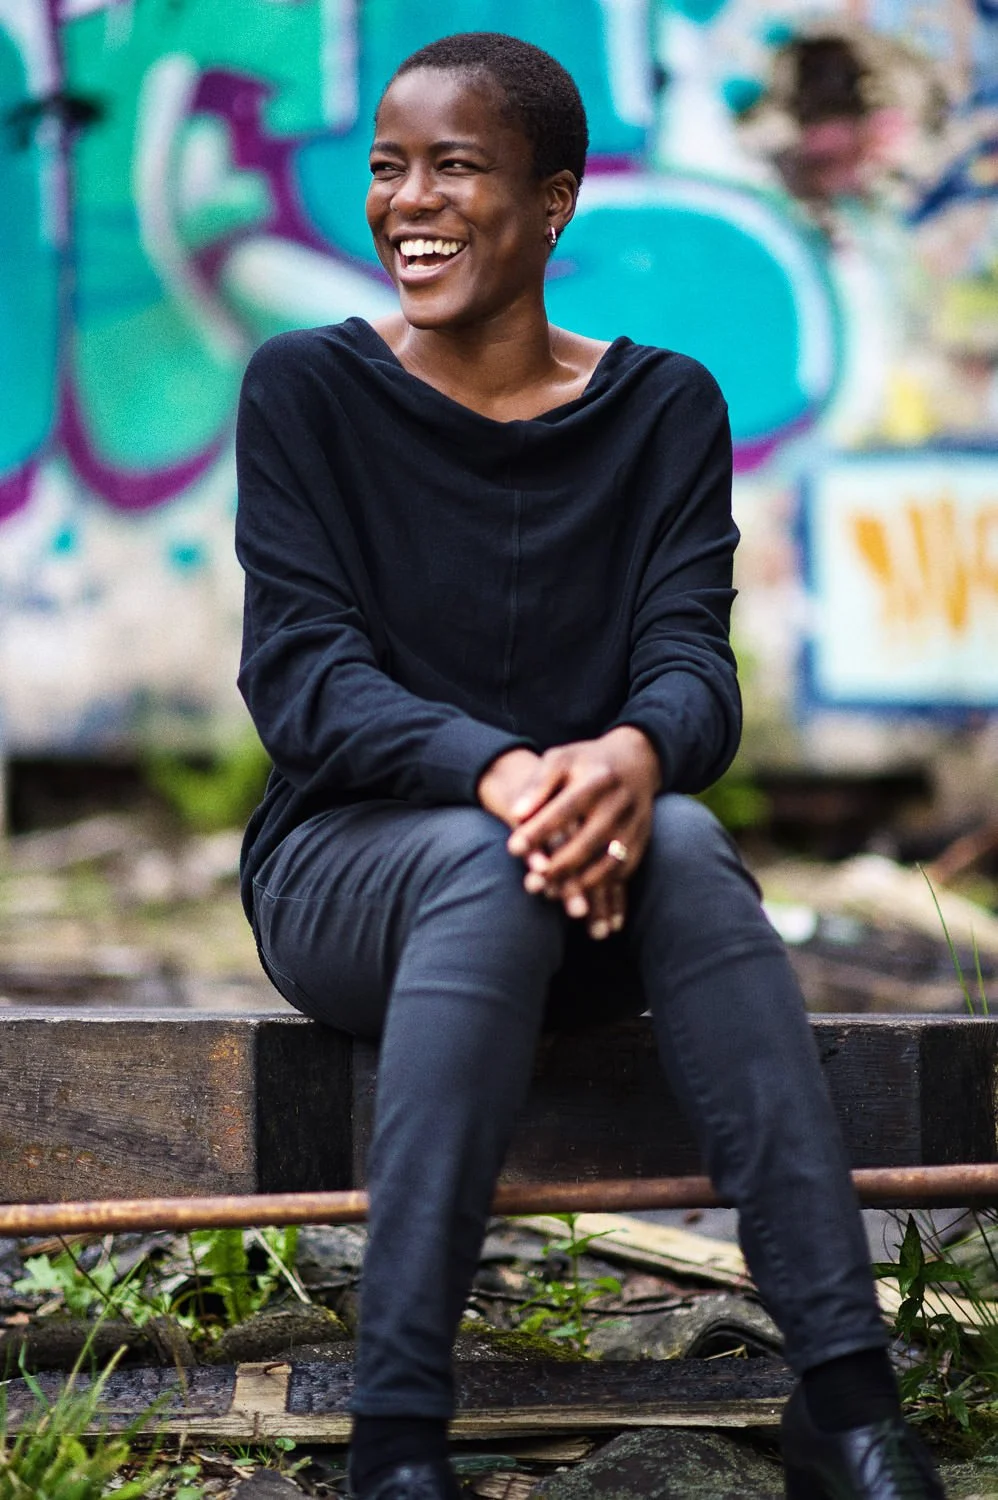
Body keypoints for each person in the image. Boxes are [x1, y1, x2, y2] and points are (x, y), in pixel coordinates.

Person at [234, 32, 944, 1500]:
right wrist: (499, 770)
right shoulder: (305, 392)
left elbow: (691, 667)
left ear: (552, 203)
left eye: (453, 166)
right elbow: (302, 681)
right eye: (386, 166)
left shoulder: (660, 407)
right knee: (498, 862)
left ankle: (848, 1403)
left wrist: (632, 751)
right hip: (351, 870)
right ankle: (397, 1435)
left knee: (681, 838)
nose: (406, 201)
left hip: (600, 879)